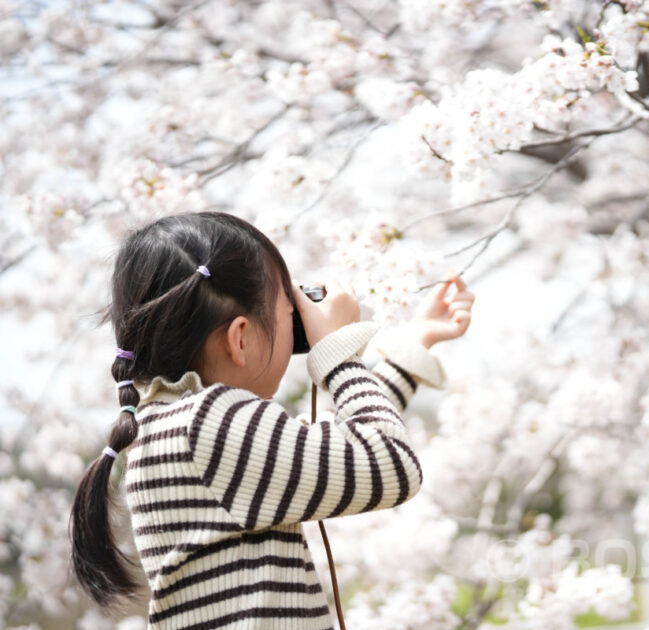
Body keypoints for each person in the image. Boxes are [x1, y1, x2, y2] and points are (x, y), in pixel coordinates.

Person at [69, 211, 475, 629]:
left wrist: (415, 341)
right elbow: (390, 463)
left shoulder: (172, 426)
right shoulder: (212, 423)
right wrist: (335, 352)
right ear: (240, 338)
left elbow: (335, 448)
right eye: (288, 313)